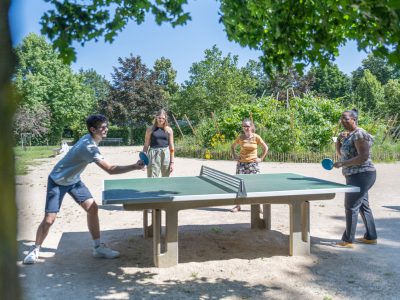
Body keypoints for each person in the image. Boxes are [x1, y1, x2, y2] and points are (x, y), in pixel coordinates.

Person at [23, 114, 145, 264]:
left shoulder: (89, 139)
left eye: (106, 126)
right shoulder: (89, 147)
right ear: (93, 129)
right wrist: (134, 166)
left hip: (74, 181)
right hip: (57, 180)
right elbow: (110, 169)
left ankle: (97, 247)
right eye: (102, 127)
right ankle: (35, 249)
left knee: (92, 208)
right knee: (49, 220)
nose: (106, 129)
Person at [333, 108, 377, 248]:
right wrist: (338, 142)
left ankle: (347, 240)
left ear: (354, 119)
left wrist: (343, 164)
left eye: (346, 118)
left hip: (362, 174)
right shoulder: (349, 135)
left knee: (351, 207)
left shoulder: (359, 133)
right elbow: (342, 155)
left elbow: (363, 157)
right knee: (363, 206)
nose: (343, 120)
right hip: (355, 175)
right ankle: (371, 237)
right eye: (341, 118)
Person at [230, 118, 268, 212]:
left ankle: (258, 206)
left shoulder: (256, 137)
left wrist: (261, 158)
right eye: (244, 126)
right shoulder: (241, 137)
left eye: (247, 126)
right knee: (239, 185)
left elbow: (266, 148)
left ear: (251, 127)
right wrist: (235, 156)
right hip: (241, 164)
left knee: (256, 185)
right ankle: (238, 206)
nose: (246, 128)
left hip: (253, 164)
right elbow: (232, 146)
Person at [143, 109, 175, 178]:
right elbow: (146, 145)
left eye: (163, 118)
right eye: (159, 118)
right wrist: (143, 159)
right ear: (156, 117)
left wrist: (172, 162)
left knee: (166, 177)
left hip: (165, 154)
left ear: (165, 119)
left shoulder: (169, 130)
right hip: (153, 154)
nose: (161, 120)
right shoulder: (150, 129)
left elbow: (172, 147)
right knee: (152, 177)